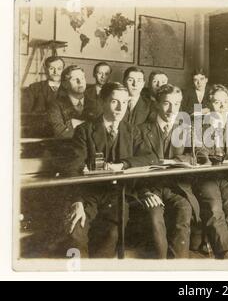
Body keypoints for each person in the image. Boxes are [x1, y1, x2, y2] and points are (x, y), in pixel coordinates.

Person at [63, 82, 143, 258]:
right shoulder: (84, 130)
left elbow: (149, 157)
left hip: (117, 195)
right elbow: (72, 168)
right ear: (102, 102)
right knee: (76, 231)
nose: (121, 108)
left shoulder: (131, 131)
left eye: (125, 102)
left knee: (112, 233)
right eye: (115, 101)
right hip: (87, 194)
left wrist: (122, 165)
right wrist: (77, 201)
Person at [124, 84, 199, 259]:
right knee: (155, 215)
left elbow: (197, 156)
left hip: (177, 188)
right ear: (157, 104)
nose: (172, 109)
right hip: (149, 188)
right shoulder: (140, 130)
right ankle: (162, 265)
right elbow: (132, 164)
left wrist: (175, 161)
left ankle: (178, 267)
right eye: (166, 103)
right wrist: (144, 192)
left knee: (184, 209)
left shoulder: (187, 129)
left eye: (177, 104)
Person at [195, 84, 228, 259]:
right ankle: (226, 252)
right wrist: (210, 158)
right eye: (217, 102)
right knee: (214, 208)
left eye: (225, 102)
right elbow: (198, 150)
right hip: (208, 176)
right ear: (209, 104)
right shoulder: (200, 124)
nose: (222, 106)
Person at [48, 65, 97, 138]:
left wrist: (74, 123)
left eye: (82, 78)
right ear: (65, 84)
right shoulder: (55, 105)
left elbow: (101, 133)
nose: (80, 82)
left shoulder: (96, 104)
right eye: (74, 79)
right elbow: (60, 134)